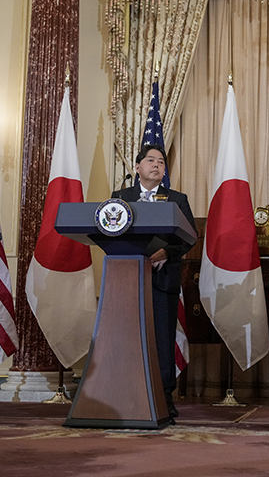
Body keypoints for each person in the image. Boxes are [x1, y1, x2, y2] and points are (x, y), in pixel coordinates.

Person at [112, 144, 196, 419]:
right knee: (128, 337)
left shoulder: (176, 199)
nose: (156, 165)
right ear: (137, 167)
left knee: (162, 339)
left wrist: (165, 252)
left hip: (163, 278)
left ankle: (164, 397)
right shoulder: (120, 197)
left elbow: (188, 236)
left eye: (161, 162)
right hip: (128, 278)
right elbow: (110, 230)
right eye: (150, 160)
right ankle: (125, 393)